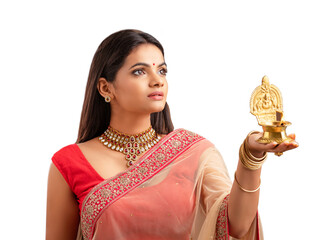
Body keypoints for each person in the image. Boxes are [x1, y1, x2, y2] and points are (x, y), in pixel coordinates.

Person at [46, 29, 298, 240]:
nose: (157, 81)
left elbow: (237, 226)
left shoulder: (191, 152)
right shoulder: (68, 163)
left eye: (162, 71)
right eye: (140, 71)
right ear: (105, 87)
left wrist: (250, 158)